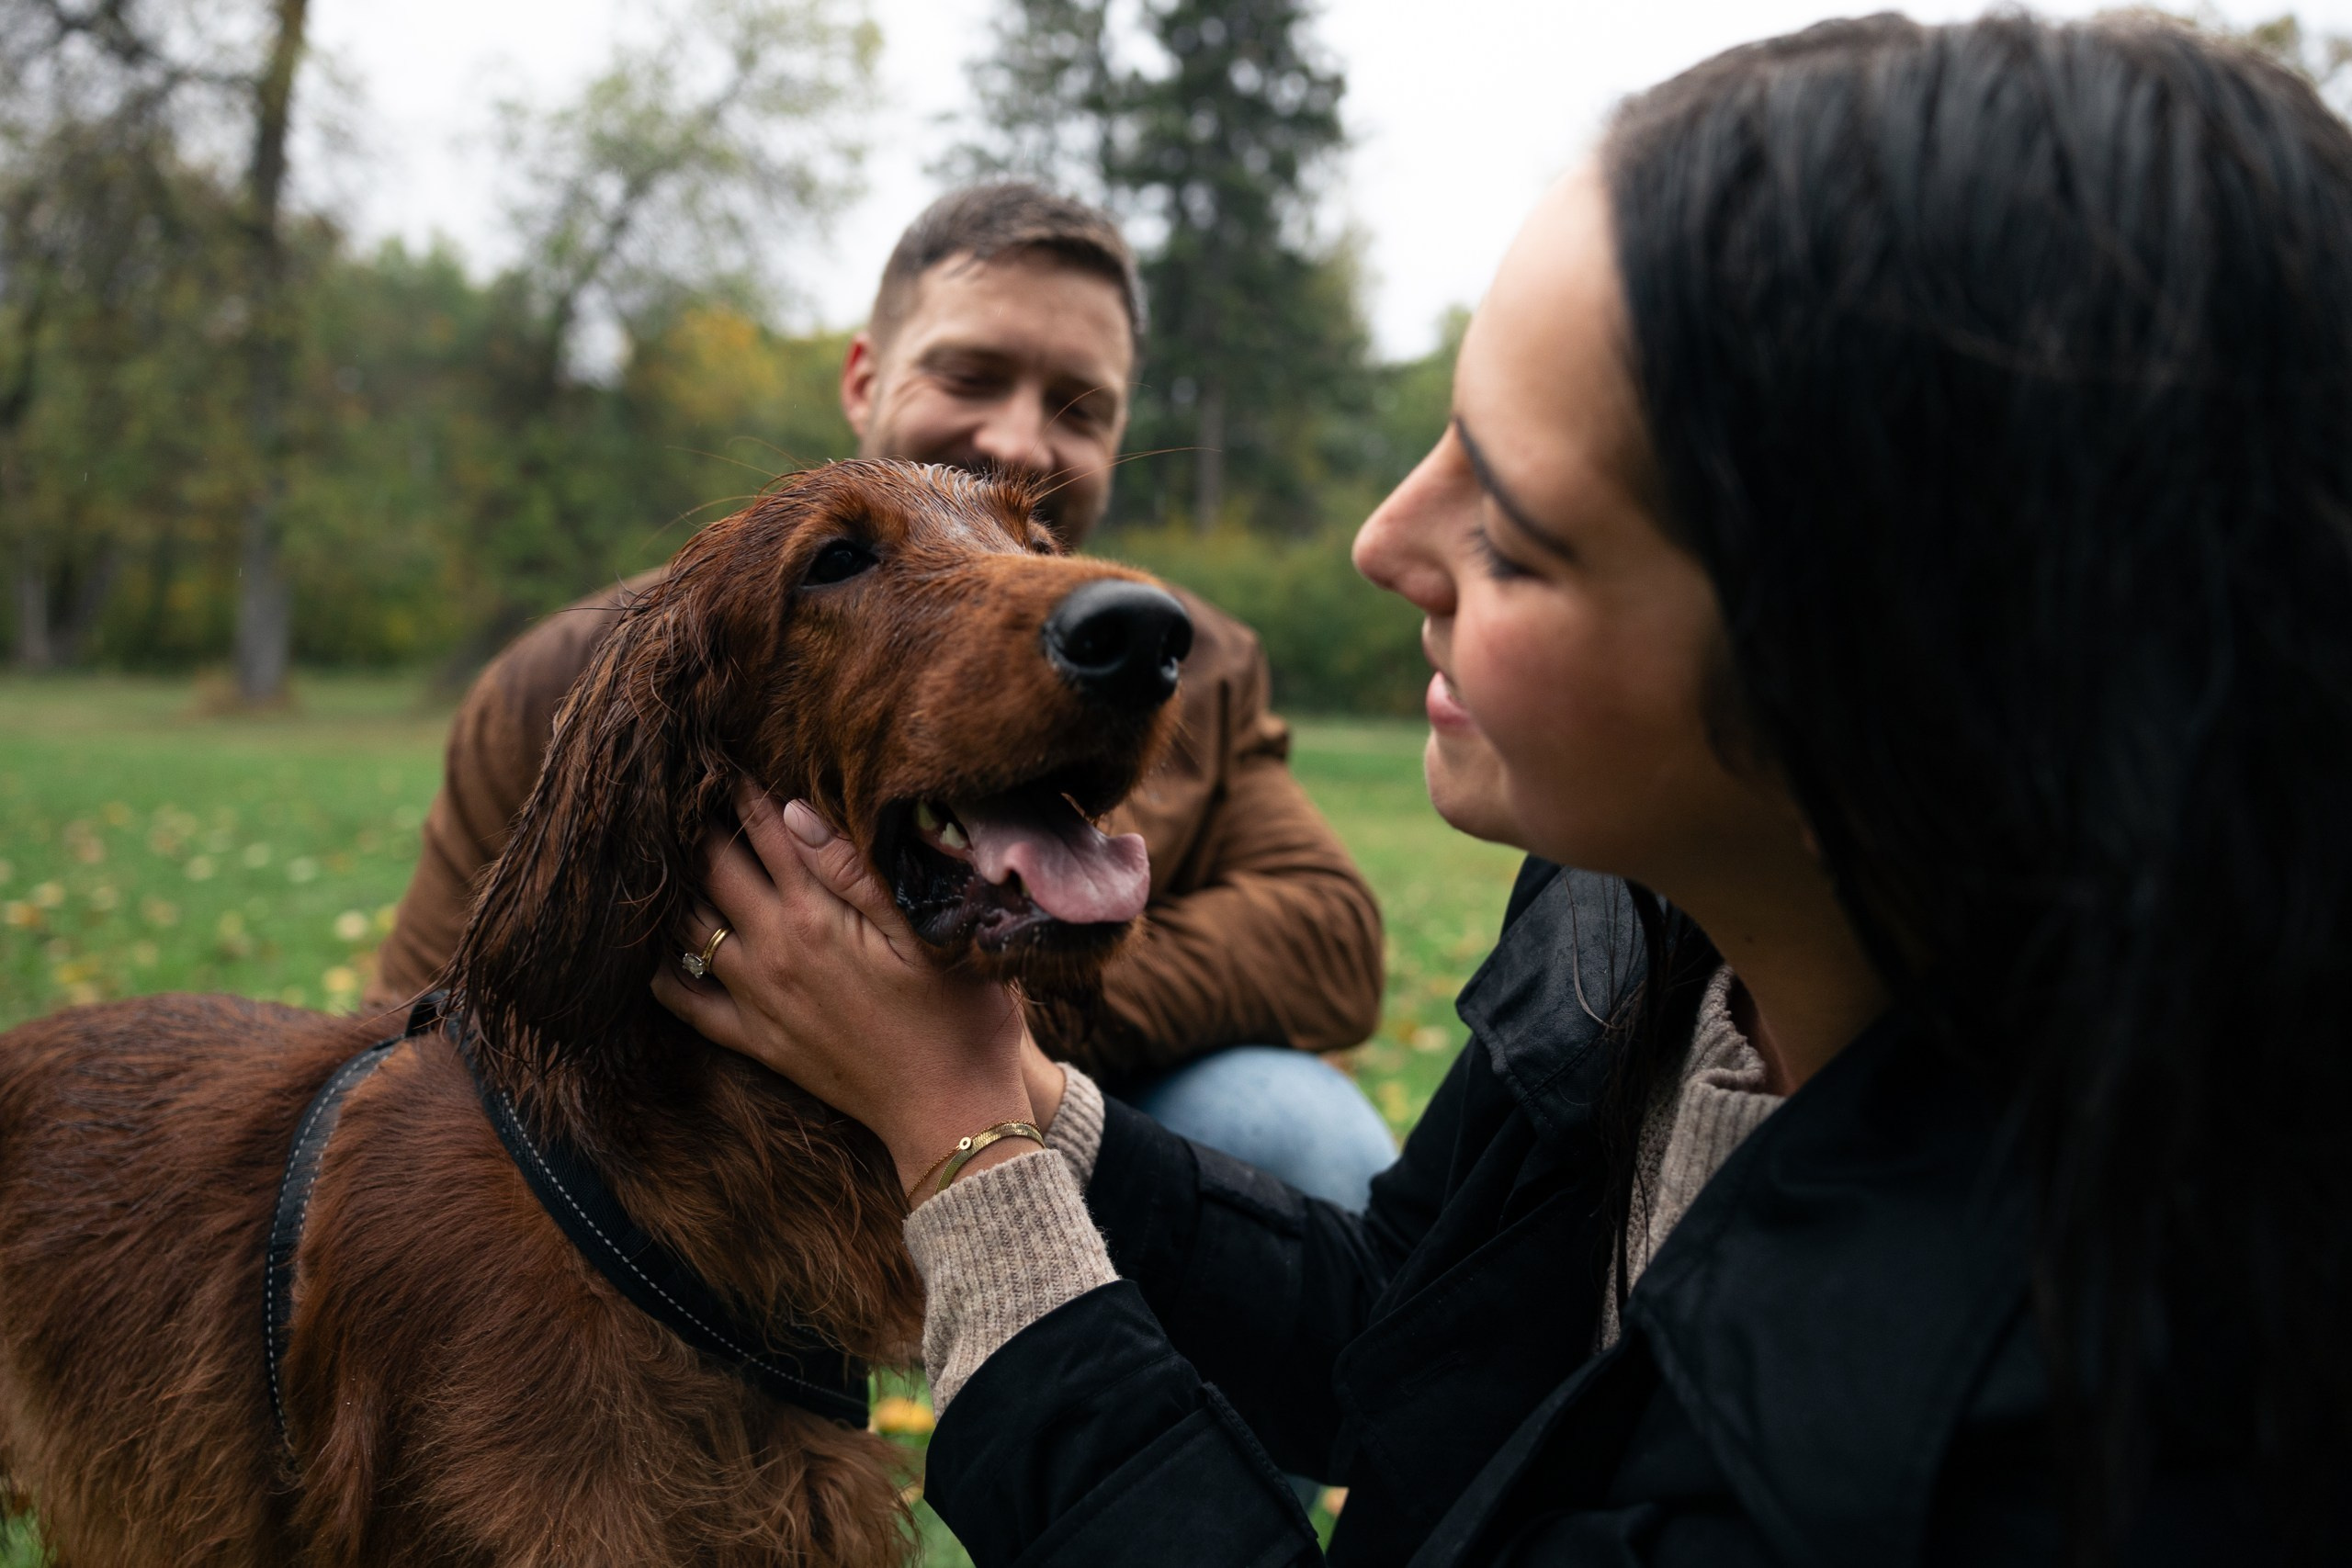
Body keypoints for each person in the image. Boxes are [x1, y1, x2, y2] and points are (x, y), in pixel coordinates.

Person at [657, 14, 2352, 1565]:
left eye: (1518, 534)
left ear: (1875, 683)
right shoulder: (1647, 928)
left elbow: (1324, 935)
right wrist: (1029, 1095)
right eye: (1446, 433)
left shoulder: (2071, 1439)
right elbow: (1406, 1325)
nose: (1384, 541)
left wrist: (968, 1153)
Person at [366, 182, 1397, 1211]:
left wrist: (939, 1018)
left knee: (1292, 1122)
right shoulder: (579, 674)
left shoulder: (1184, 654)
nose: (1019, 438)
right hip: (705, 1190)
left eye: (1079, 407)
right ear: (865, 378)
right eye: (970, 374)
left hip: (1073, 1131)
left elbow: (1331, 935)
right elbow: (433, 1031)